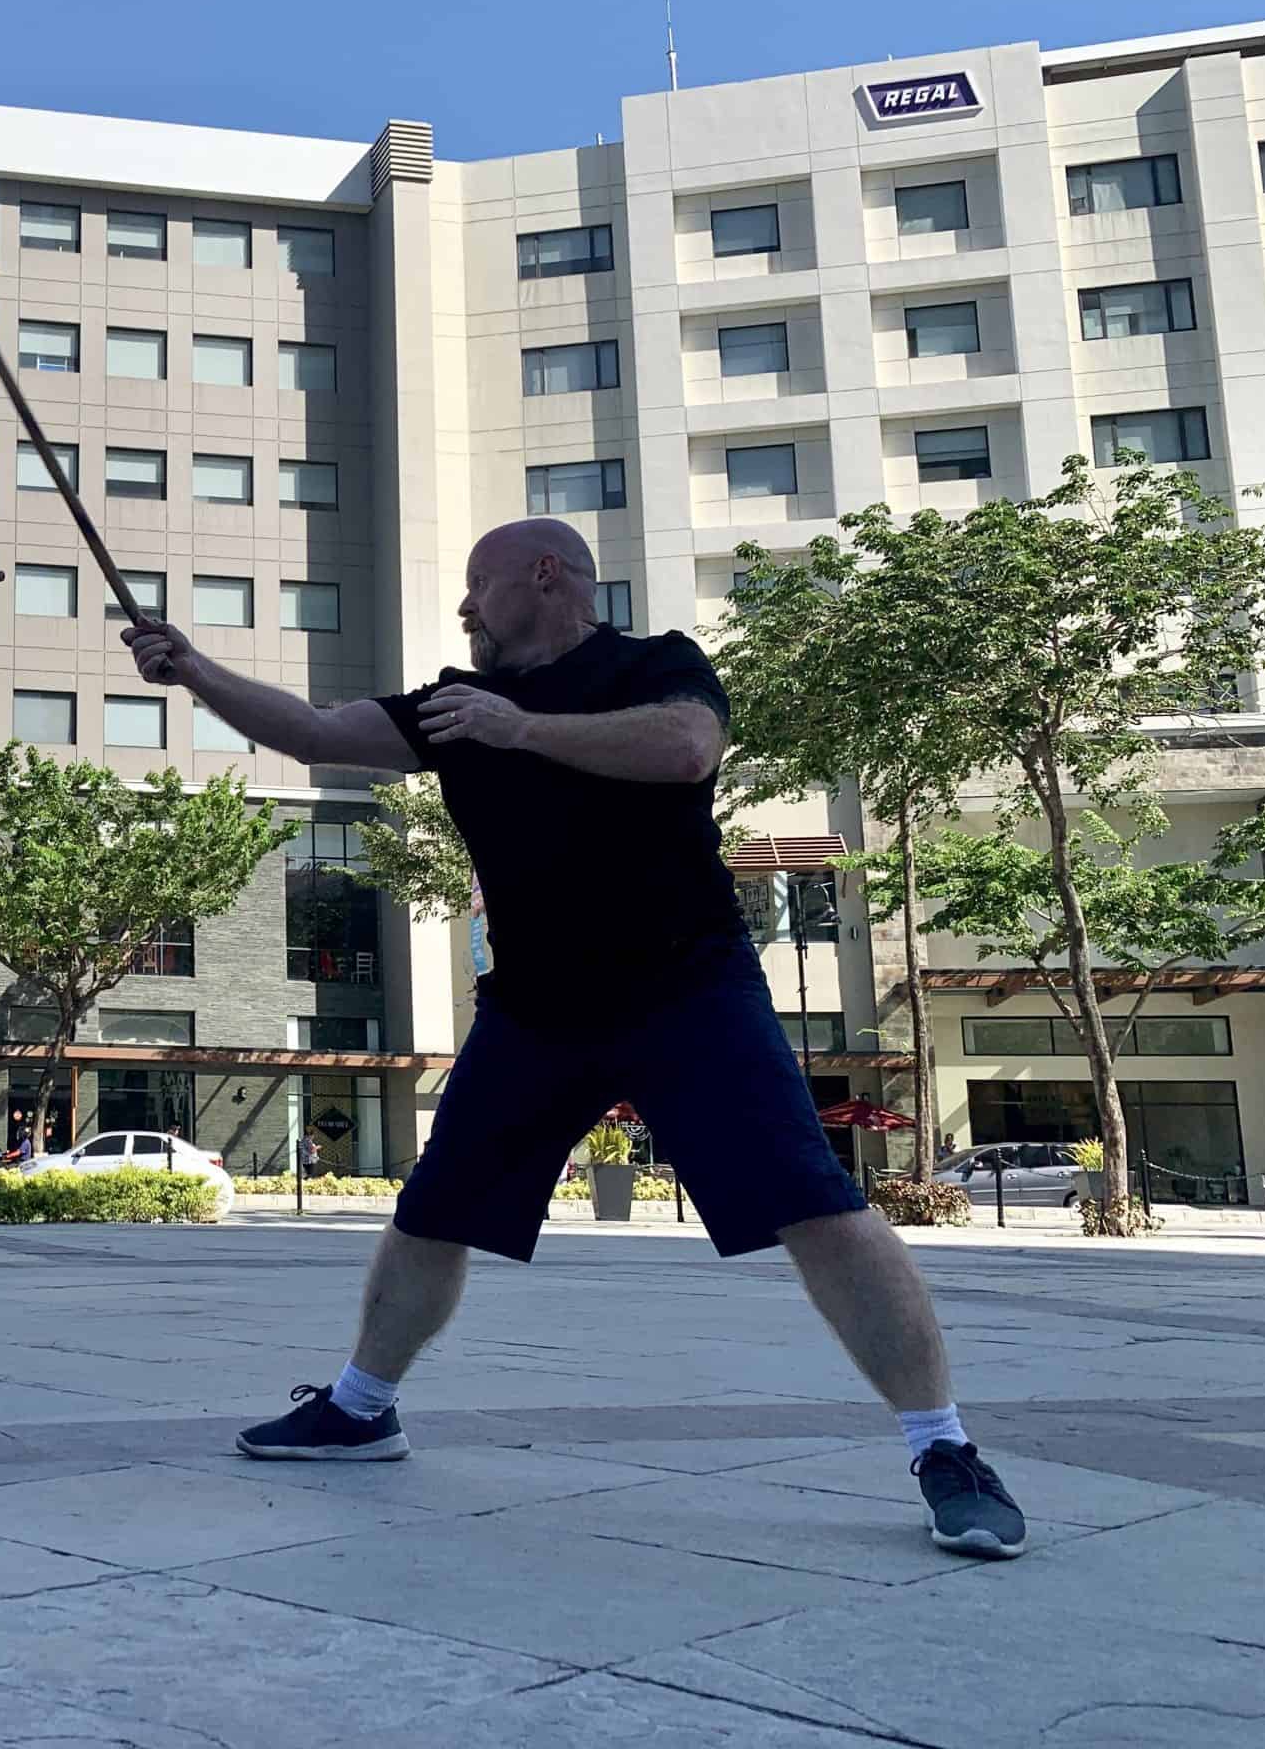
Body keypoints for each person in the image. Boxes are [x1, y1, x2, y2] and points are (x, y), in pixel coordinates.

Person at [122, 517, 1029, 1559]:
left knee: (818, 1208)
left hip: (686, 988)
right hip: (534, 1008)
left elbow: (685, 748)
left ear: (545, 576)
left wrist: (520, 730)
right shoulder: (449, 709)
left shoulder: (652, 666)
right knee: (433, 1211)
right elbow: (314, 732)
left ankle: (944, 1449)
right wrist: (191, 669)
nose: (463, 609)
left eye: (477, 585)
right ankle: (361, 1409)